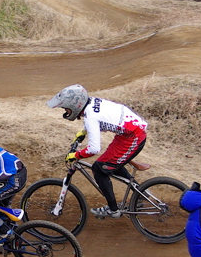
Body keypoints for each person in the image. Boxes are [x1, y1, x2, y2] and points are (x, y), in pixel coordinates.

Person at [47, 84, 148, 218]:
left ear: (75, 105)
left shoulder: (90, 116)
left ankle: (113, 210)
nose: (65, 111)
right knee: (108, 164)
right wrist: (83, 132)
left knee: (99, 169)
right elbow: (100, 117)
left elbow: (94, 148)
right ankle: (140, 194)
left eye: (66, 108)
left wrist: (76, 155)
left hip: (133, 137)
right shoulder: (91, 102)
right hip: (128, 134)